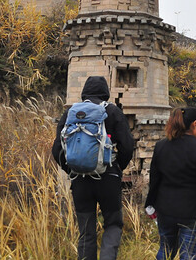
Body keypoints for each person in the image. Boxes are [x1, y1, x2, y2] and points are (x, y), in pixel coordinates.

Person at [51, 76, 135, 260]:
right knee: (113, 224)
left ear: (84, 92)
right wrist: (116, 168)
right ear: (105, 92)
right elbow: (128, 146)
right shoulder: (112, 112)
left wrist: (72, 169)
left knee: (86, 231)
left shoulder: (71, 113)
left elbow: (57, 150)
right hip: (108, 178)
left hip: (80, 181)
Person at [145, 107, 196, 260]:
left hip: (165, 211)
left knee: (165, 252)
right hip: (191, 214)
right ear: (194, 124)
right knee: (189, 255)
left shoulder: (161, 146)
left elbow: (155, 180)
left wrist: (150, 205)